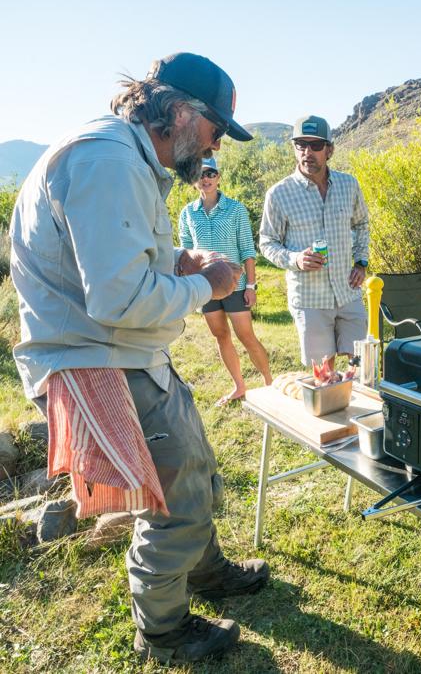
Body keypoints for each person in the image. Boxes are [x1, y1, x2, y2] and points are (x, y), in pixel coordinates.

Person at [10, 52, 270, 664]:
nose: (212, 152)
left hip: (127, 353)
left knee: (195, 464)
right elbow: (118, 297)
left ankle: (204, 571)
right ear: (180, 112)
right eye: (212, 132)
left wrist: (181, 259)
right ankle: (164, 630)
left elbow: (125, 256)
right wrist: (209, 286)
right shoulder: (107, 161)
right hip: (99, 360)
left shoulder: (127, 158)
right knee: (174, 495)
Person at [259, 115, 370, 368]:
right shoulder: (278, 194)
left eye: (316, 145)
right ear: (294, 148)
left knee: (362, 364)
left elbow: (361, 224)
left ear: (329, 150)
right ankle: (331, 405)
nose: (307, 152)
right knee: (324, 372)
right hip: (310, 299)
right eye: (301, 144)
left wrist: (361, 262)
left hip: (348, 292)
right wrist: (295, 259)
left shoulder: (348, 185)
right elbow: (267, 242)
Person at [179, 158, 272, 404]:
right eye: (200, 173)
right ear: (194, 179)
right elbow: (185, 255)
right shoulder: (188, 213)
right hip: (205, 288)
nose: (205, 178)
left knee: (246, 336)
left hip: (236, 286)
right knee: (221, 336)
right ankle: (239, 387)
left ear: (219, 177)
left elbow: (247, 251)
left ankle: (269, 385)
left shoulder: (236, 209)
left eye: (210, 173)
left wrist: (251, 286)